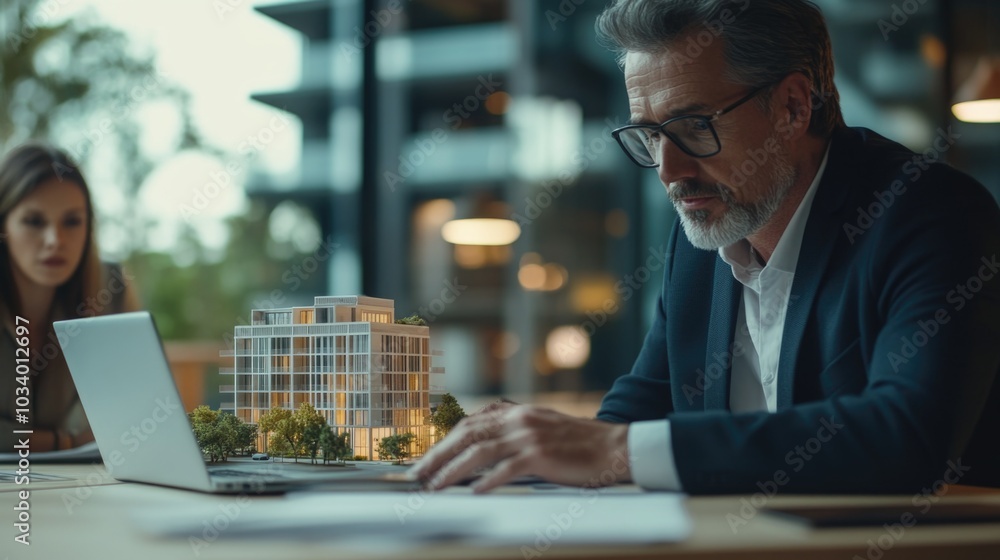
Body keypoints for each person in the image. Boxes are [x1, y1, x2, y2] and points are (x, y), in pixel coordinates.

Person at [412, 0, 1000, 494]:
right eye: (648, 133)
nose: (669, 171)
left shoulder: (931, 214)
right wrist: (532, 454)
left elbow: (907, 437)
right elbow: (644, 406)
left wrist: (616, 447)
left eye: (694, 126)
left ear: (793, 107)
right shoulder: (703, 236)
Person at [1, 142, 140, 452]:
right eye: (34, 221)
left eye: (72, 221)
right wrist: (65, 442)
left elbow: (132, 415)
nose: (55, 240)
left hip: (73, 486)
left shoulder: (109, 289)